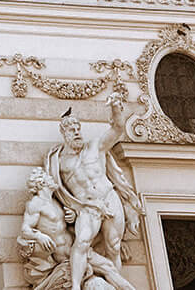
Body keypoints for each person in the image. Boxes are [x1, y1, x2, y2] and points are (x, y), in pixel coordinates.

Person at [47, 94, 142, 290]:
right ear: (63, 133)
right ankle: (75, 286)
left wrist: (116, 108)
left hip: (108, 199)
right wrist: (71, 209)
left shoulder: (95, 147)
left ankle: (113, 285)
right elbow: (57, 191)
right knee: (81, 243)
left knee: (114, 246)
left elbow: (117, 129)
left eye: (78, 129)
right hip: (87, 207)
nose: (77, 133)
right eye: (72, 130)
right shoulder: (58, 161)